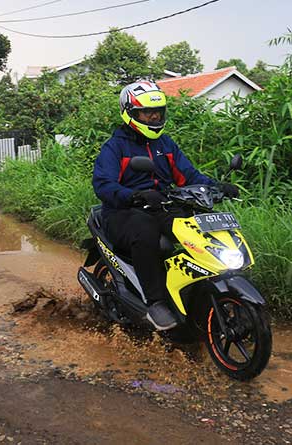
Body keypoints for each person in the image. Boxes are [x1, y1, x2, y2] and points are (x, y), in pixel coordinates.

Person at [92, 81, 239, 330]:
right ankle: (155, 301)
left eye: (158, 111)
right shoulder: (115, 147)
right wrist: (134, 195)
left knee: (193, 228)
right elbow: (104, 185)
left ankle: (195, 288)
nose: (154, 116)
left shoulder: (165, 144)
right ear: (130, 113)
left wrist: (216, 187)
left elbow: (189, 176)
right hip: (123, 212)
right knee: (146, 233)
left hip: (160, 205)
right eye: (147, 112)